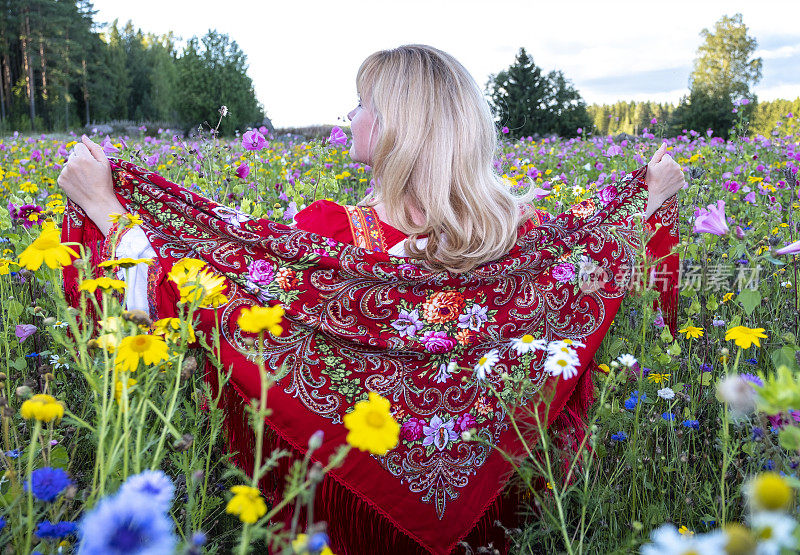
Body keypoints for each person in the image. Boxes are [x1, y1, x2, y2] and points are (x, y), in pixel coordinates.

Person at [59, 45, 684, 554]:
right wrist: (648, 199)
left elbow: (200, 289)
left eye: (363, 104)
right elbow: (595, 254)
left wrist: (108, 210)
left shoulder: (326, 234)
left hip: (344, 530)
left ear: (393, 127)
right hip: (492, 528)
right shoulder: (523, 238)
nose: (351, 115)